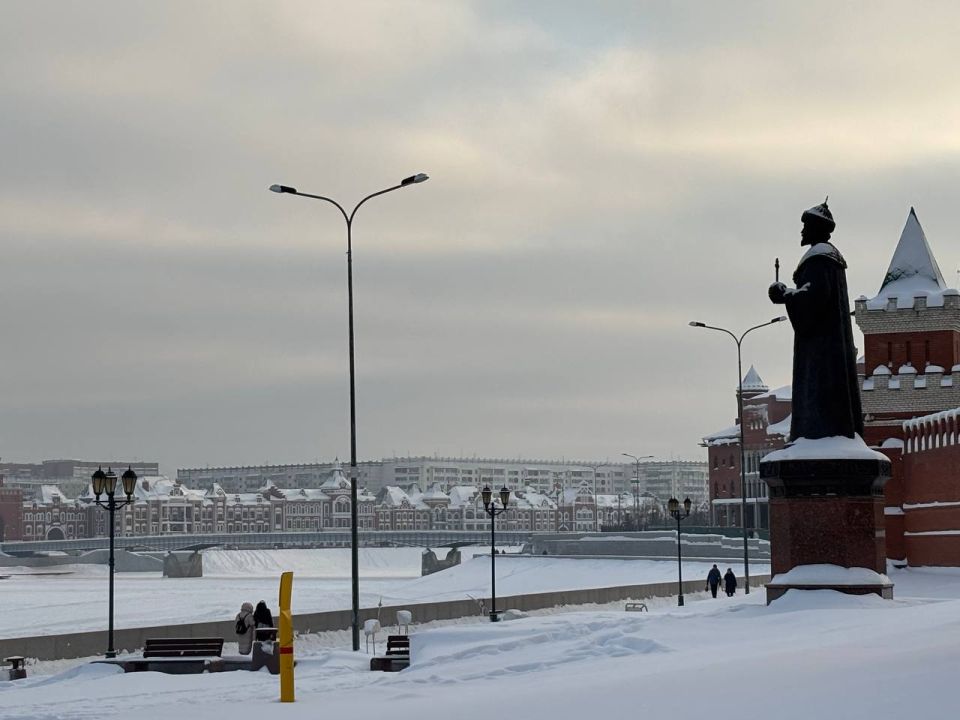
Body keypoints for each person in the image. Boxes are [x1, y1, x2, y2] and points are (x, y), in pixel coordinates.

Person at [768, 199, 863, 441]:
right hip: (830, 344)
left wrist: (784, 294)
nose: (802, 231)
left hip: (820, 349)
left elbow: (813, 299)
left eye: (806, 226)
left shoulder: (819, 259)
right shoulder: (830, 259)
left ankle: (817, 435)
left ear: (816, 228)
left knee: (817, 392)